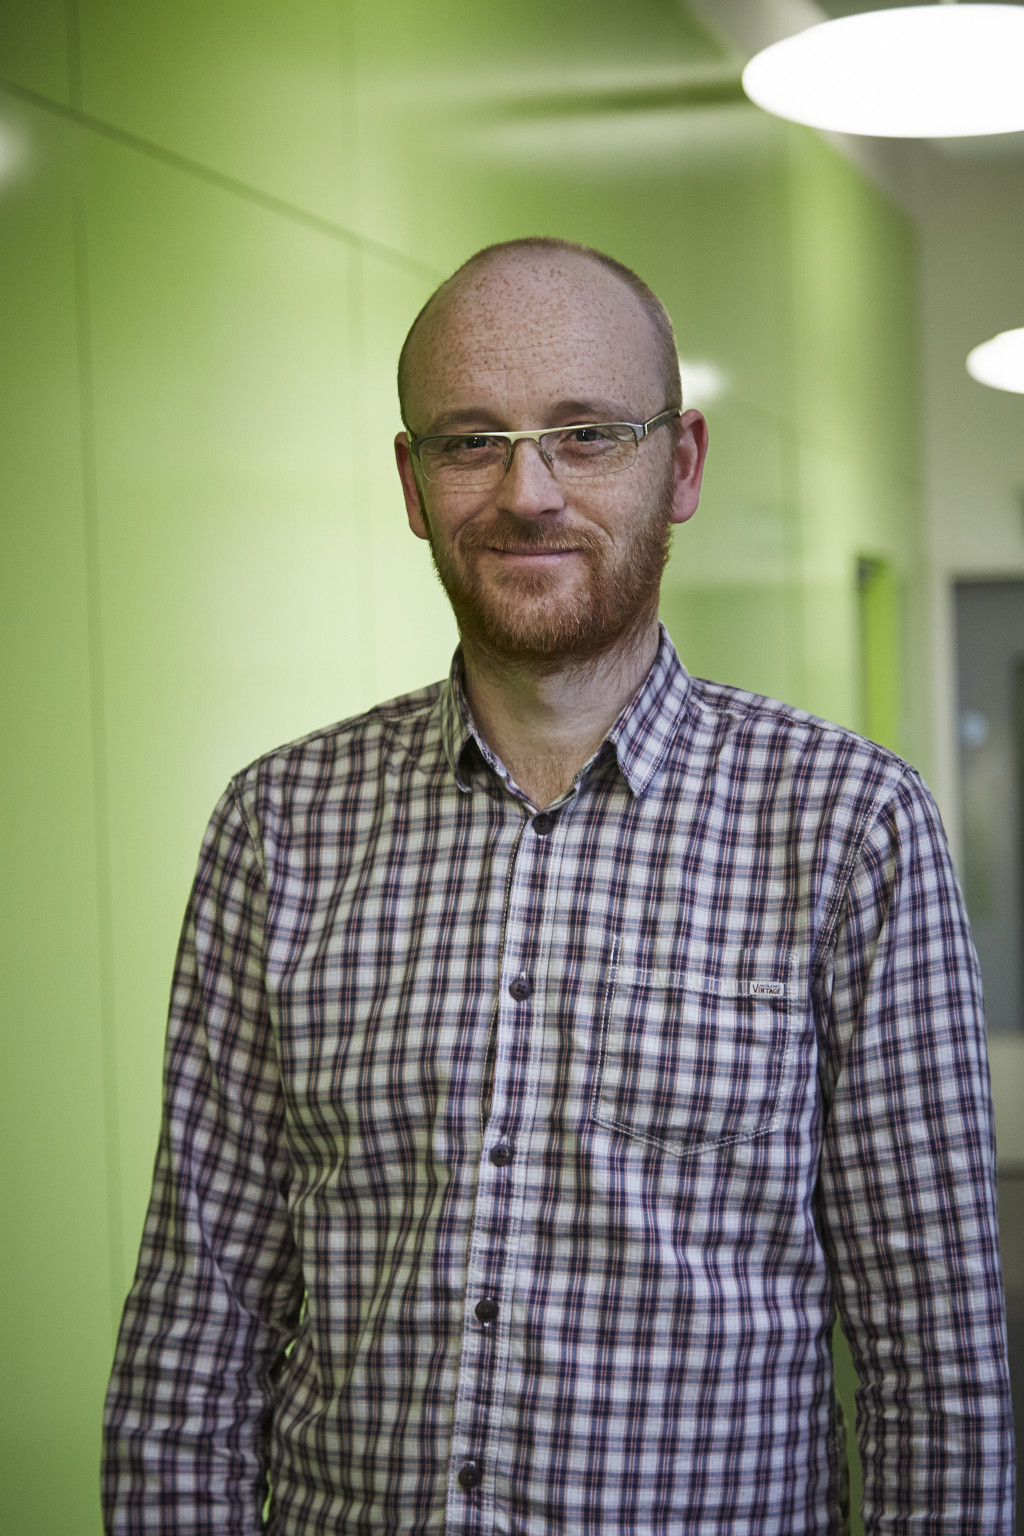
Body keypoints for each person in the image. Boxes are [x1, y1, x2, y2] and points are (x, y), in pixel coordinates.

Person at [102, 237, 1014, 1535]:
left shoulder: (850, 826)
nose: (528, 491)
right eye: (471, 441)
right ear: (413, 484)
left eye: (587, 433)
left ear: (680, 463)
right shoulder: (279, 827)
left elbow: (936, 1360)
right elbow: (197, 1326)